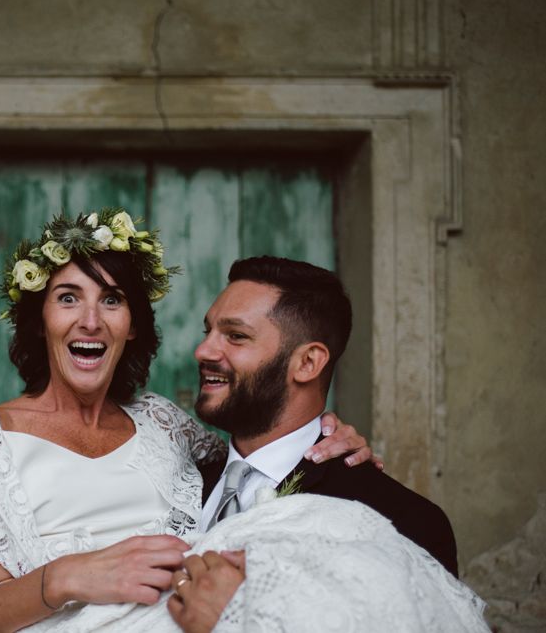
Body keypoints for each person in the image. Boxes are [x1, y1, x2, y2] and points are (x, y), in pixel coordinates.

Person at [0, 211, 371, 633]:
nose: (91, 321)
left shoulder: (163, 422)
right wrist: (57, 578)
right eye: (67, 299)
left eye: (112, 300)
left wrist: (327, 434)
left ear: (132, 325)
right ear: (41, 321)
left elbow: (256, 466)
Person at [166, 256, 482, 632]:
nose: (203, 351)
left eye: (235, 336)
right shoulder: (170, 477)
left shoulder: (403, 520)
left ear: (308, 362)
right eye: (208, 332)